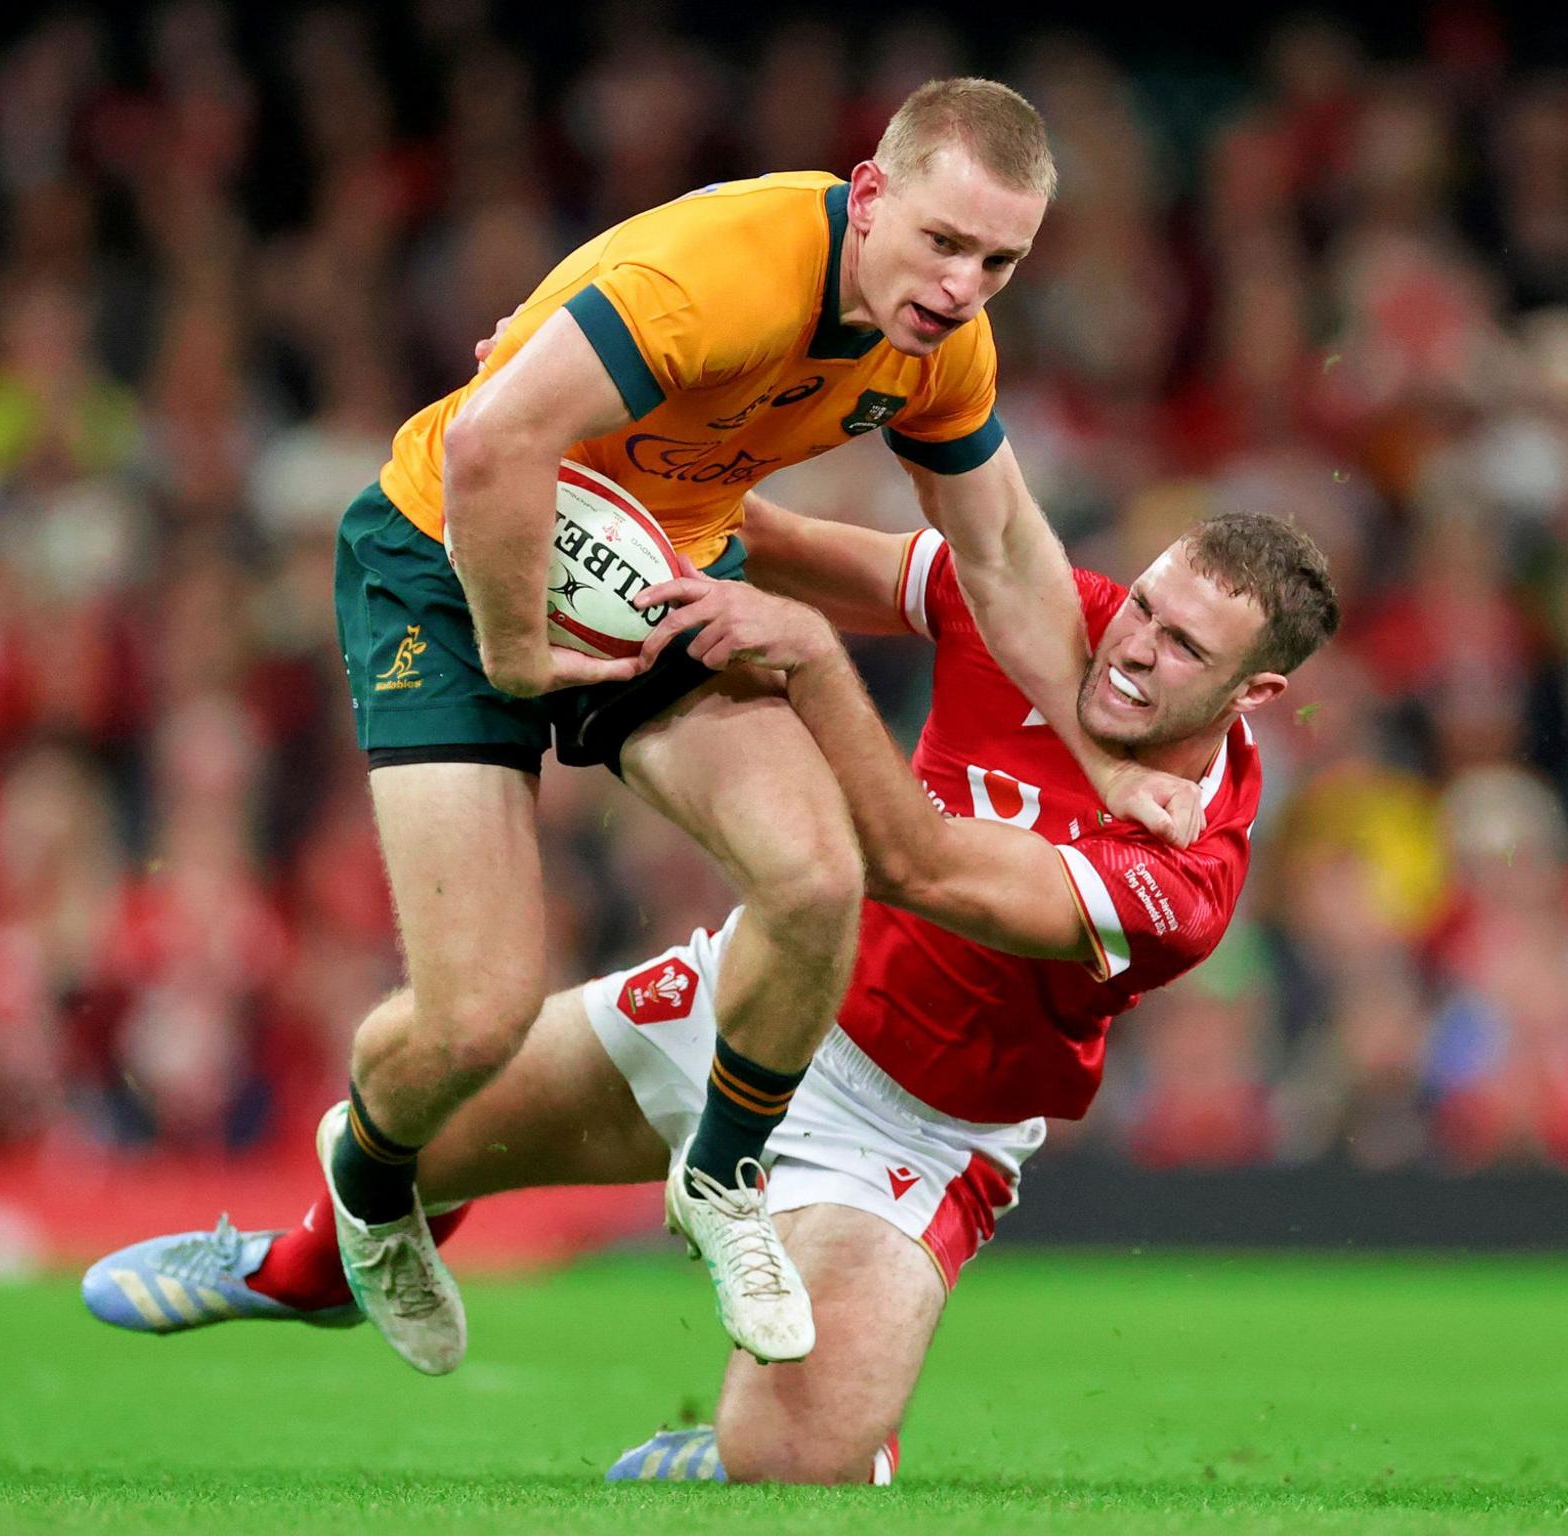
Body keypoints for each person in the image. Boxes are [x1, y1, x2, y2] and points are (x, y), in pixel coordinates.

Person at [83, 497, 1341, 1483]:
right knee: (409, 1097)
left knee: (792, 1468)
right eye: (1146, 605)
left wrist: (809, 666)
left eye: (1183, 647)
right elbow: (773, 544)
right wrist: (592, 455)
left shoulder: (1191, 876)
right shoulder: (1041, 610)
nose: (1130, 647)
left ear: (1255, 695)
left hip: (912, 1133)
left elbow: (916, 863)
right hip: (763, 994)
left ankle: (816, 1436)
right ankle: (304, 1268)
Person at [309, 76, 1202, 1375]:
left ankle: (719, 1179)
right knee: (476, 1018)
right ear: (873, 191)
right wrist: (512, 653)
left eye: (1000, 260)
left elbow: (1000, 545)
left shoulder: (942, 346)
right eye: (945, 242)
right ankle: (374, 1176)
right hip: (452, 558)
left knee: (817, 875)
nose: (963, 285)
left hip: (656, 569)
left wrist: (1101, 744)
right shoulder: (721, 276)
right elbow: (497, 442)